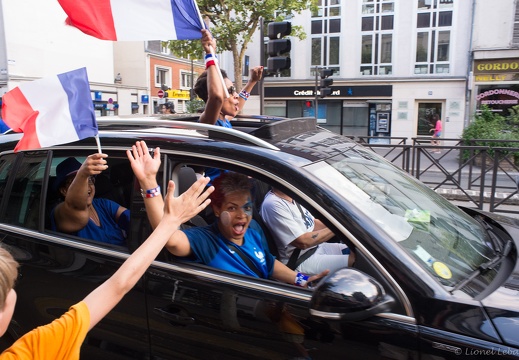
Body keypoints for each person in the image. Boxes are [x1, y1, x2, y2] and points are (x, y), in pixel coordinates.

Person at [0, 176, 213, 358]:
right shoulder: (37, 348)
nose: (89, 185)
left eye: (92, 180)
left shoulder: (103, 205)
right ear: (65, 190)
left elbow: (134, 220)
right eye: (9, 289)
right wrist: (169, 221)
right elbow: (117, 284)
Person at [127, 140, 329, 287]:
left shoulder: (254, 229)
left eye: (247, 207)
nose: (242, 215)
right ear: (216, 209)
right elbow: (170, 240)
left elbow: (266, 262)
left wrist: (300, 279)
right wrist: (149, 183)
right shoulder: (205, 240)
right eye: (232, 208)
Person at [193, 29, 263, 182]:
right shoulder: (208, 123)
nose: (236, 95)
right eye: (230, 91)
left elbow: (237, 107)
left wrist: (252, 82)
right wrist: (210, 53)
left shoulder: (224, 120)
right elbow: (217, 98)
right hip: (217, 198)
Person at [260, 188, 355, 275]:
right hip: (299, 260)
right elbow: (303, 242)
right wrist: (338, 226)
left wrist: (341, 225)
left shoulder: (291, 194)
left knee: (357, 252)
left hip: (316, 248)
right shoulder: (272, 204)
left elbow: (313, 224)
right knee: (355, 260)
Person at [50, 154, 129, 246]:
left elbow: (130, 219)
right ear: (64, 190)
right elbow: (77, 207)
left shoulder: (103, 204)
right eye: (77, 181)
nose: (87, 186)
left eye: (90, 180)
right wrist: (82, 174)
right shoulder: (61, 212)